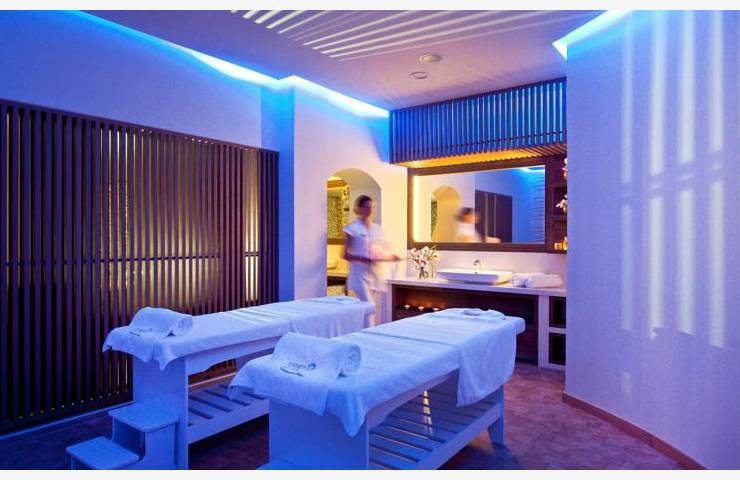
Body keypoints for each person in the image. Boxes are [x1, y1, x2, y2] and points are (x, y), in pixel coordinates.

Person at [342, 195, 399, 307]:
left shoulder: (377, 229)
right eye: (366, 207)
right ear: (359, 208)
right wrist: (361, 258)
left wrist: (391, 257)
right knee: (370, 307)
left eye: (372, 207)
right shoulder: (352, 229)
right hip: (359, 276)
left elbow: (382, 250)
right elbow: (345, 255)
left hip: (375, 275)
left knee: (369, 309)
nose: (369, 210)